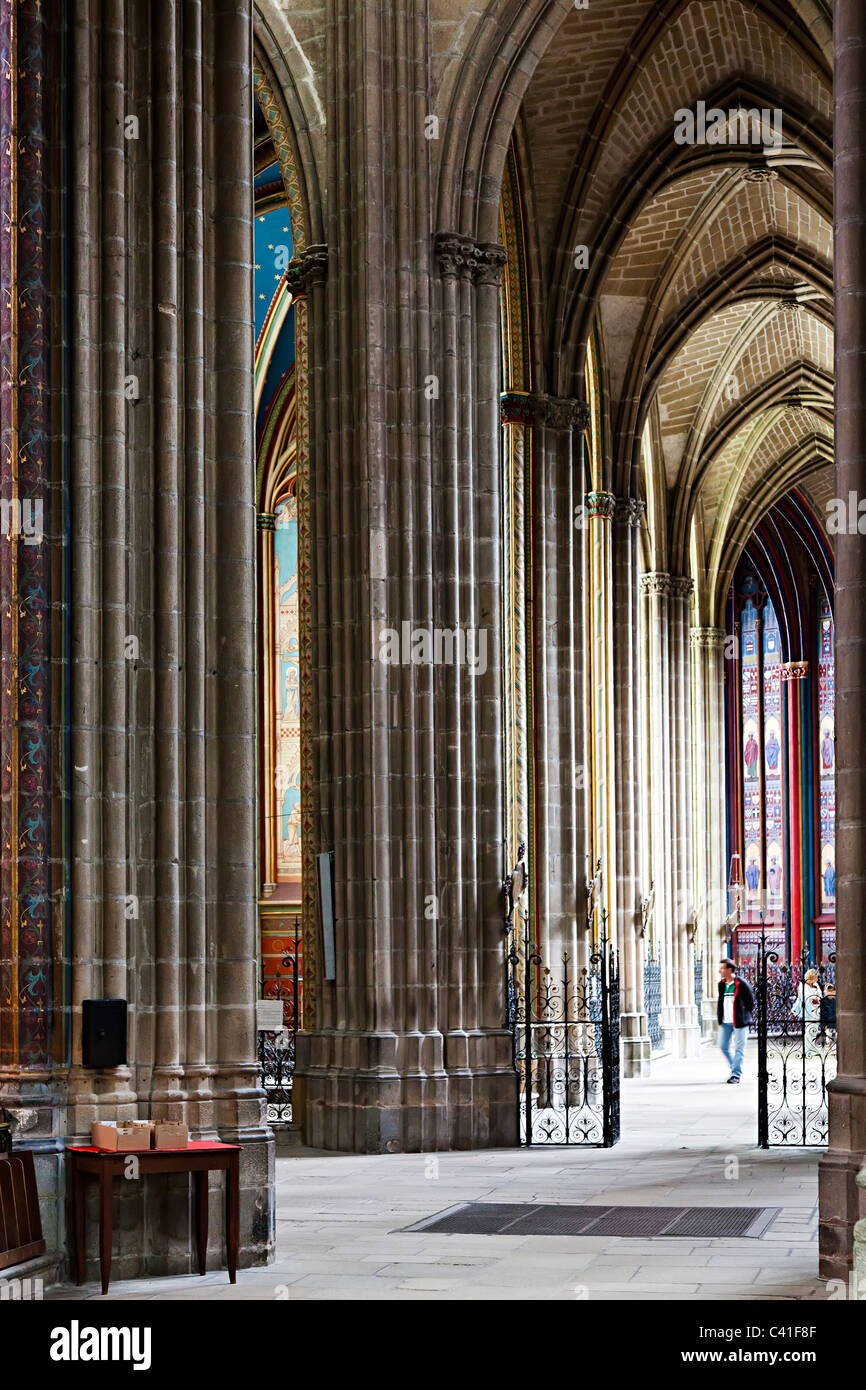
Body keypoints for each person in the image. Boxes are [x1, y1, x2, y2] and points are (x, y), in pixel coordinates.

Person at [717, 958, 755, 1084]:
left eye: (722, 968)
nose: (720, 971)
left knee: (739, 1048)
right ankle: (735, 1066)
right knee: (723, 1046)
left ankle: (736, 1075)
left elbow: (750, 1001)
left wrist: (744, 1015)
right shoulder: (721, 985)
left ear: (729, 969)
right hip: (725, 1022)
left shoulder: (741, 984)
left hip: (739, 1022)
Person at [793, 969, 823, 1056]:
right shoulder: (802, 985)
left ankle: (812, 1048)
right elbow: (804, 997)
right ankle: (808, 1050)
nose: (817, 979)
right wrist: (814, 996)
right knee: (809, 1029)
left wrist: (817, 996)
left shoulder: (815, 984)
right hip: (808, 1010)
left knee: (814, 1030)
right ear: (812, 977)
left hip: (816, 1009)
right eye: (816, 977)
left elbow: (820, 994)